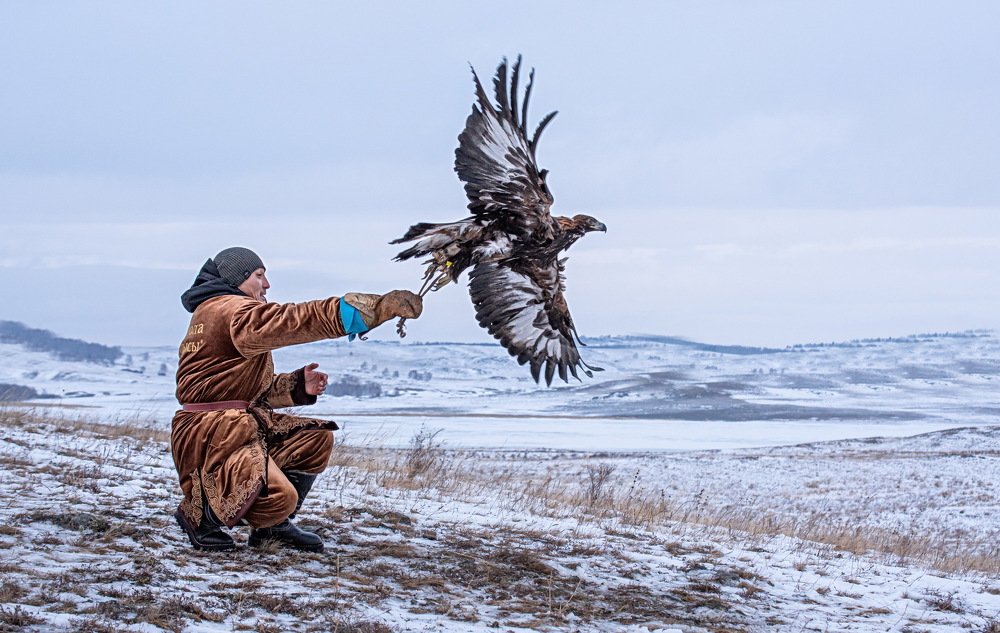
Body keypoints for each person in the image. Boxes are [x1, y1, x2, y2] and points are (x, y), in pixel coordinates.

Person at [171, 246, 422, 552]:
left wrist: (296, 385)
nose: (267, 285)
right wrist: (361, 312)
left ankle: (272, 529)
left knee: (313, 439)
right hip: (214, 436)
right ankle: (199, 515)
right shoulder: (230, 310)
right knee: (281, 497)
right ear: (237, 280)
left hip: (228, 427)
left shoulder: (214, 313)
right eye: (259, 276)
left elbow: (235, 393)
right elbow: (291, 320)